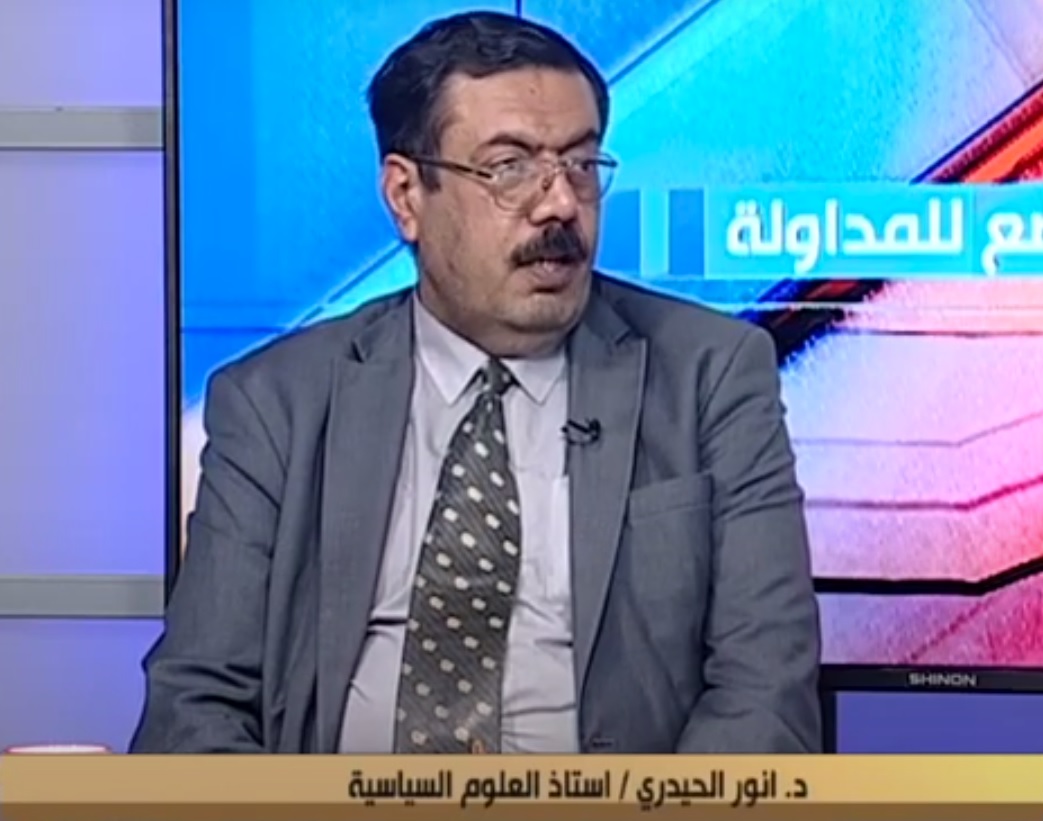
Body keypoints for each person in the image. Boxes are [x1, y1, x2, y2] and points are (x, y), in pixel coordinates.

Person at [131, 10, 820, 755]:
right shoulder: (277, 404)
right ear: (406, 196)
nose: (560, 204)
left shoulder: (712, 374)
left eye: (581, 165)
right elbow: (195, 705)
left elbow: (765, 692)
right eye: (508, 167)